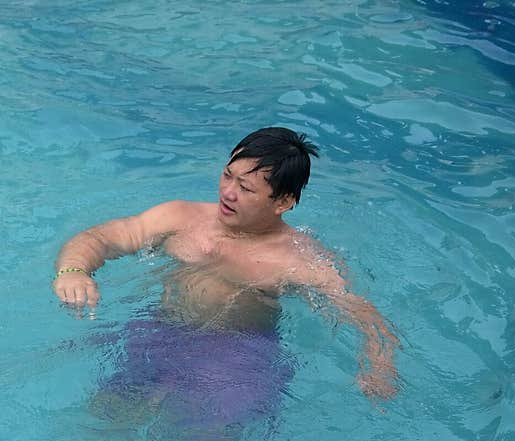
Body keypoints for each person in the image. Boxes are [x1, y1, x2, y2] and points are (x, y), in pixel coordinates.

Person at [52, 127, 400, 421]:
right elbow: (100, 237)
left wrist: (378, 367)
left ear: (283, 202)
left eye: (246, 189)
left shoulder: (300, 260)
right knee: (102, 417)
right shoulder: (179, 218)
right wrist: (73, 271)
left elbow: (364, 315)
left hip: (237, 355)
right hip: (160, 330)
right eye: (227, 175)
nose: (228, 192)